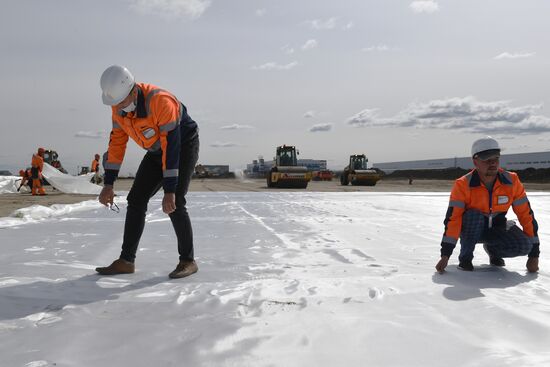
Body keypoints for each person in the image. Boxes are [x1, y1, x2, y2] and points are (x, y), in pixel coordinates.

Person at [95, 65, 200, 279]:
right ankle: (126, 261)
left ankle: (188, 261)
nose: (120, 108)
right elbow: (117, 143)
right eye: (116, 104)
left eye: (123, 102)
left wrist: (169, 189)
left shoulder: (161, 102)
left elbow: (171, 147)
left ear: (133, 91)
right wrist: (108, 183)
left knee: (176, 201)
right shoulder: (118, 107)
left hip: (181, 145)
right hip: (155, 148)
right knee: (136, 199)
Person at [435, 136, 540, 273]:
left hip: (496, 229)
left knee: (524, 246)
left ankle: (494, 251)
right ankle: (465, 258)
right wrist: (445, 255)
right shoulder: (463, 184)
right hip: (471, 231)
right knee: (474, 215)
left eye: (496, 158)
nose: (493, 163)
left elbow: (526, 215)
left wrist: (534, 255)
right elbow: (453, 219)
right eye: (487, 159)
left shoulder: (511, 181)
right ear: (475, 162)